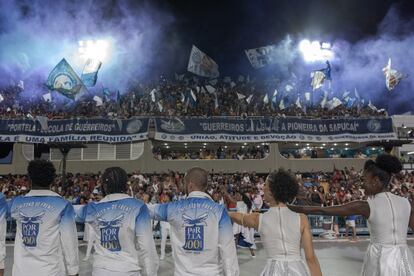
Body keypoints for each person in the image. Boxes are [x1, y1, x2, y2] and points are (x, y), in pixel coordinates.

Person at [288, 154, 414, 275]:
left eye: (364, 179)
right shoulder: (405, 202)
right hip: (404, 257)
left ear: (375, 180)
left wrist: (288, 207)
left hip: (381, 259)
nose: (362, 184)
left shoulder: (367, 205)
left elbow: (323, 210)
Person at [229, 169, 322, 276]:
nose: (263, 188)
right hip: (298, 270)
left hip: (273, 271)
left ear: (272, 191)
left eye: (266, 185)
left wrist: (223, 212)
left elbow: (240, 217)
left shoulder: (259, 219)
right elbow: (310, 258)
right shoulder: (302, 219)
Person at [150, 167, 239, 276]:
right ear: (205, 186)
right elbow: (228, 251)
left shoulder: (173, 208)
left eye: (185, 183)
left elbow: (146, 210)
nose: (183, 186)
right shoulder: (219, 211)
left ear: (190, 185)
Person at [77, 167, 158, 276]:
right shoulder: (138, 207)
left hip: (101, 270)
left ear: (104, 187)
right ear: (126, 186)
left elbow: (67, 212)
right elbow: (147, 248)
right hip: (128, 270)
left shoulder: (93, 208)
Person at [8, 160, 79, 276]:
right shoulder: (63, 205)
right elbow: (69, 241)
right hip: (50, 270)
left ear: (29, 179)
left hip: (21, 271)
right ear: (52, 180)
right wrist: (74, 270)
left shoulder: (16, 203)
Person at [159, 193, 172, 260]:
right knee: (163, 240)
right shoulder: (161, 205)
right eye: (164, 197)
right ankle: (162, 254)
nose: (165, 198)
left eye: (166, 197)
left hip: (170, 225)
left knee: (173, 240)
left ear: (169, 198)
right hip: (163, 224)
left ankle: (174, 254)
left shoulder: (172, 205)